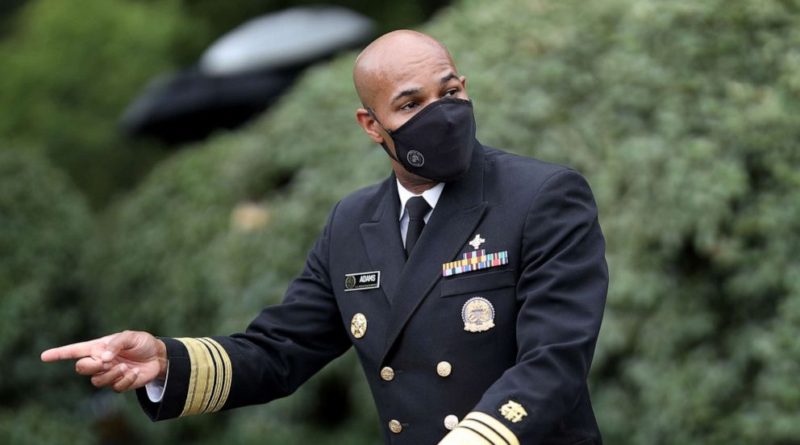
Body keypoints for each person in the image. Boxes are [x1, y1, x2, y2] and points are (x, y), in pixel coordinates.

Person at [42, 30, 608, 445]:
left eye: (450, 92)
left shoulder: (542, 196)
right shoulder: (352, 223)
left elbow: (553, 360)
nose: (442, 115)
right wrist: (167, 361)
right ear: (371, 126)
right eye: (411, 104)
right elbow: (279, 350)